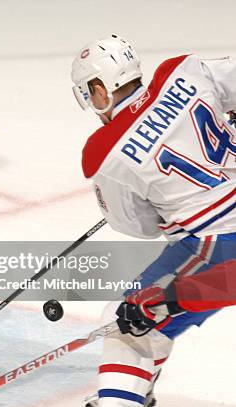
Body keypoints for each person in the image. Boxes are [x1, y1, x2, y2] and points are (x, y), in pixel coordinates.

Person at [71, 34, 236, 406]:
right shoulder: (181, 71)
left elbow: (138, 227)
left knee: (128, 318)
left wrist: (167, 208)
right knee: (147, 320)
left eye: (88, 93)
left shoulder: (103, 152)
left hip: (219, 240)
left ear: (100, 89)